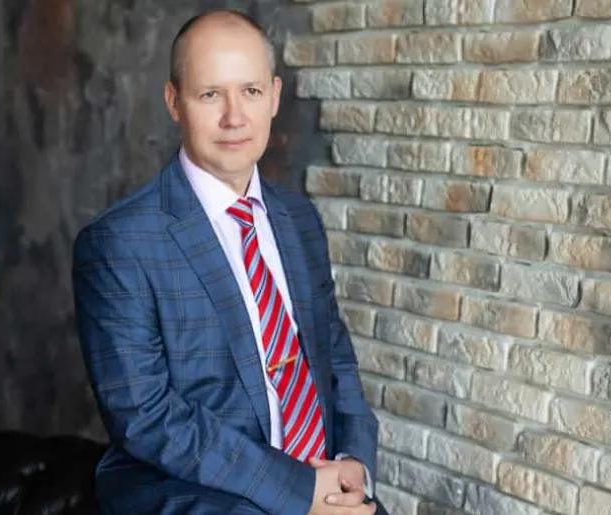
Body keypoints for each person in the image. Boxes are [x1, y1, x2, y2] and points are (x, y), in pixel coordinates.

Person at [71, 9, 388, 515]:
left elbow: (335, 358)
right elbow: (145, 415)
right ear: (174, 101)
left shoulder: (299, 220)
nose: (234, 117)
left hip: (319, 475)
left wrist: (353, 463)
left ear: (275, 97)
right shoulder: (118, 243)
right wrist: (297, 489)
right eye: (210, 94)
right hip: (193, 490)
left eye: (251, 91)